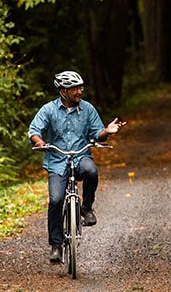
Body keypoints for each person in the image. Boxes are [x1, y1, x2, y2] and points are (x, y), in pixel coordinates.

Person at [29, 70, 125, 264]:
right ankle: (56, 246)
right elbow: (34, 130)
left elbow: (97, 133)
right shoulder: (48, 109)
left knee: (91, 171)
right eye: (75, 88)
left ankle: (86, 208)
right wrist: (39, 142)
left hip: (81, 156)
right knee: (55, 201)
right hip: (57, 160)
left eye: (80, 87)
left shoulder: (88, 109)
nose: (79, 91)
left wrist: (107, 131)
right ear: (63, 91)